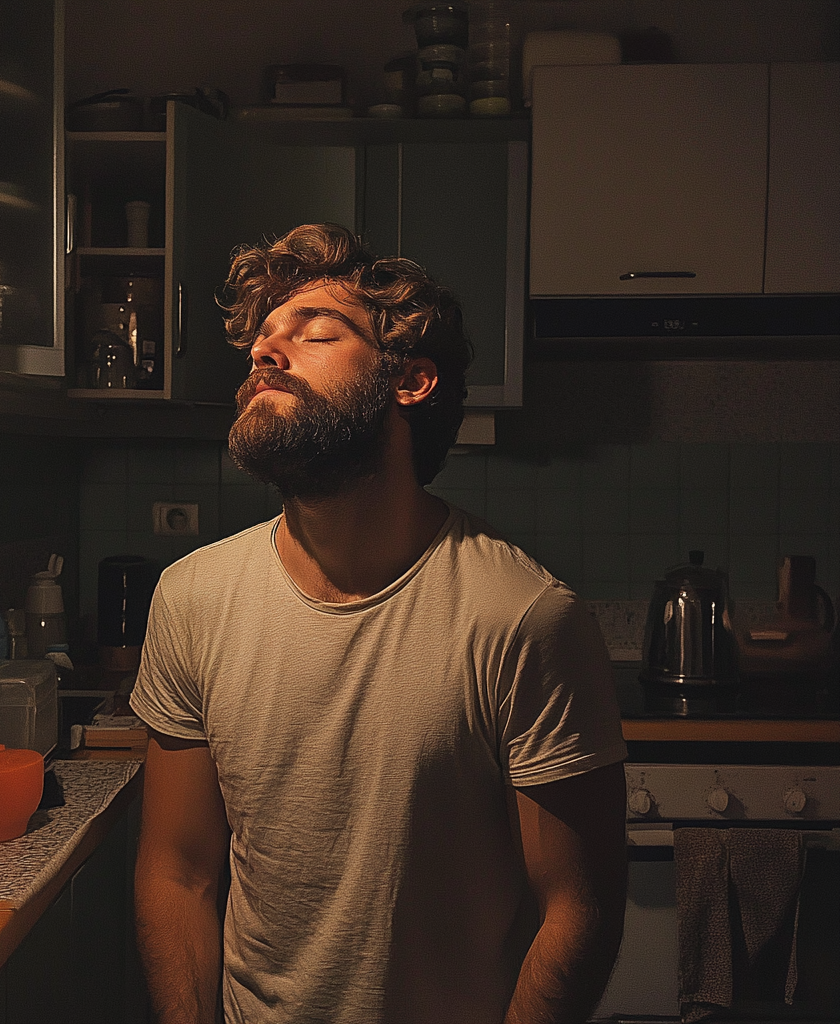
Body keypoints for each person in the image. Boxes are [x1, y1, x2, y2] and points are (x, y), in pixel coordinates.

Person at [130, 223, 628, 1024]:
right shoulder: (191, 599)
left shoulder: (522, 617)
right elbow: (178, 871)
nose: (266, 352)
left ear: (412, 381)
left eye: (315, 331)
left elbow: (579, 911)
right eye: (259, 340)